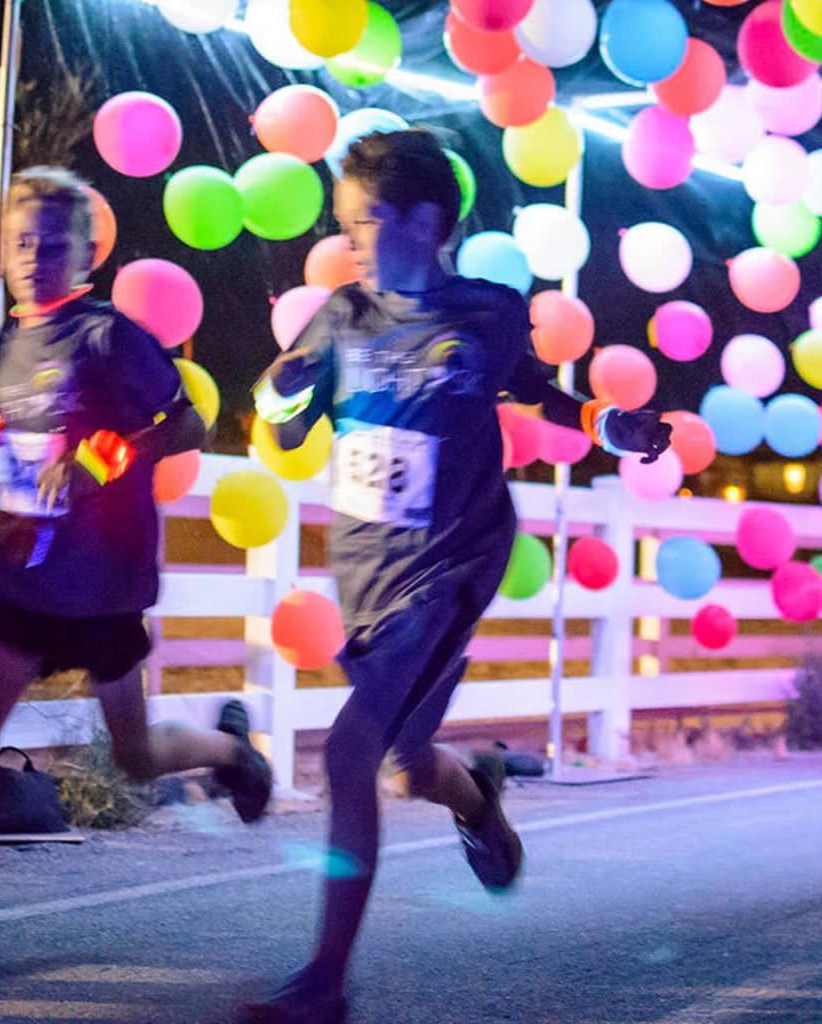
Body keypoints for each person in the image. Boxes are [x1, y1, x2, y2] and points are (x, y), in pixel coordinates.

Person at [247, 130, 670, 1024]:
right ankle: (478, 798)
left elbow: (523, 385)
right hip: (366, 565)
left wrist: (605, 423)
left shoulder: (487, 309)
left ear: (424, 220)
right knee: (403, 766)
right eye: (345, 223)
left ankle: (324, 981)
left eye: (363, 221)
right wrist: (278, 393)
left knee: (352, 752)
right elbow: (286, 425)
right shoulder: (340, 316)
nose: (350, 239)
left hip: (453, 563)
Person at [0, 166, 273, 1005]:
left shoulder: (110, 336)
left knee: (137, 757)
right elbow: (25, 423)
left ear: (86, 253)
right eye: (22, 241)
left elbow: (187, 419)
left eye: (54, 242)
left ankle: (231, 753)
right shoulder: (12, 340)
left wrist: (98, 458)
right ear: (5, 252)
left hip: (102, 584)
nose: (36, 255)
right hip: (21, 582)